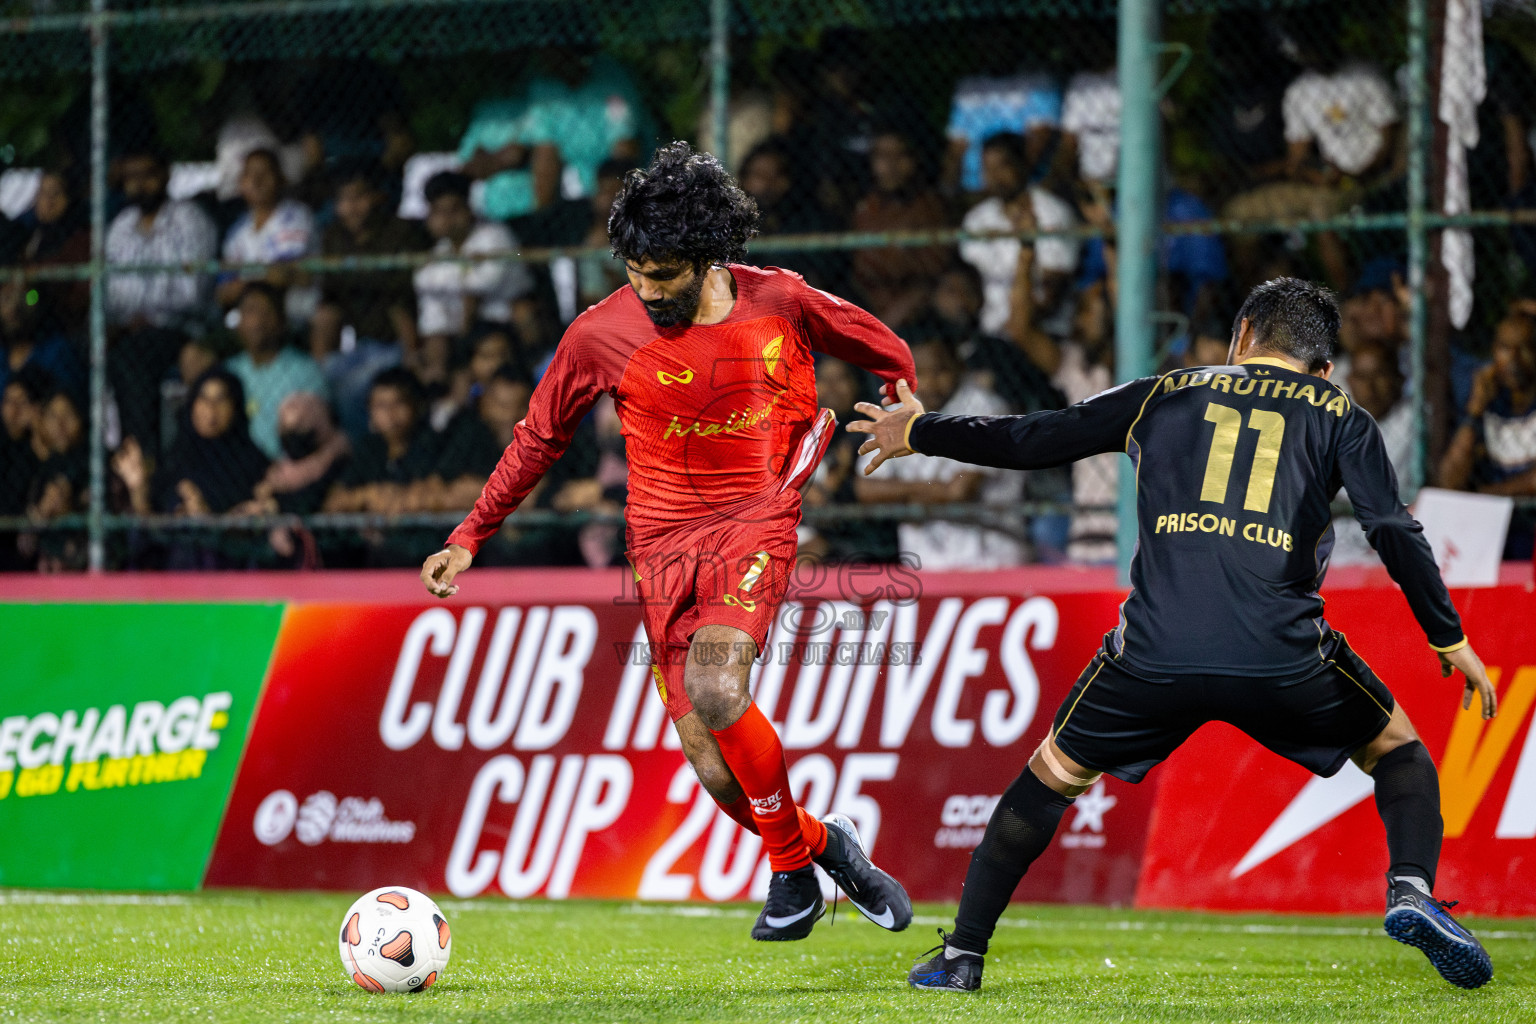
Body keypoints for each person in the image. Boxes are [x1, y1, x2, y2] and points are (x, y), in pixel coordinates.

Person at [851, 277, 1499, 992]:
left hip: (1153, 654)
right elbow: (1391, 528)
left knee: (1051, 778)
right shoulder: (1340, 414)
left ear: (1244, 334)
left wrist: (919, 430)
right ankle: (1409, 888)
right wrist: (1449, 638)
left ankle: (963, 955)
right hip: (1281, 654)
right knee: (1399, 752)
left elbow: (1037, 437)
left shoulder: (1165, 392)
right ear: (1323, 367)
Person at [420, 142, 916, 942]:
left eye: (664, 276)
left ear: (709, 257)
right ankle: (825, 848)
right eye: (635, 272)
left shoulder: (780, 299)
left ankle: (789, 875)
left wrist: (902, 410)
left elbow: (887, 350)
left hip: (756, 518)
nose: (647, 291)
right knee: (719, 776)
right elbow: (538, 439)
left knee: (721, 691)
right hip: (660, 550)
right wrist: (471, 534)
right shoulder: (597, 335)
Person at [105, 145, 219, 454]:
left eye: (148, 176)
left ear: (166, 175)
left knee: (132, 357)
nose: (140, 185)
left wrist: (145, 312)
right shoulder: (119, 228)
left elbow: (193, 291)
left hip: (181, 329)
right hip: (128, 330)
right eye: (132, 178)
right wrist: (121, 320)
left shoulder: (190, 219)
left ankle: (143, 457)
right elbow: (112, 294)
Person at [413, 171, 533, 388]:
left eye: (454, 210)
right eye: (439, 212)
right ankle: (437, 384)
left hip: (504, 319)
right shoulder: (441, 251)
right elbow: (422, 283)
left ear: (468, 208)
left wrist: (451, 280)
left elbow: (481, 285)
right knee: (433, 317)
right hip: (462, 327)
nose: (447, 219)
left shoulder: (495, 235)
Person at [224, 283, 329, 459]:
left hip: (292, 470)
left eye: (266, 312)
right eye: (250, 311)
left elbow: (320, 437)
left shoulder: (306, 372)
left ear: (282, 321)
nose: (257, 322)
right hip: (235, 470)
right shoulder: (229, 371)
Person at [216, 148, 320, 322]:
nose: (256, 181)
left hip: (295, 317)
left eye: (264, 173)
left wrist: (243, 280)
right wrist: (259, 277)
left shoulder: (297, 216)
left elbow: (282, 276)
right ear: (241, 183)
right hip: (248, 321)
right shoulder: (237, 230)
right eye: (250, 174)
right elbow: (223, 292)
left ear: (281, 179)